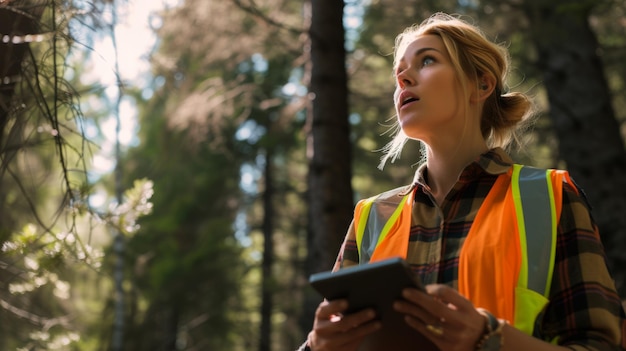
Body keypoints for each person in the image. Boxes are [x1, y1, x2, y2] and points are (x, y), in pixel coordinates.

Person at [298, 12, 626, 351]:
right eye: (399, 74)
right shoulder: (370, 219)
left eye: (426, 60)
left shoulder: (552, 197)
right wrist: (316, 345)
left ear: (481, 84)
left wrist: (491, 339)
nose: (404, 79)